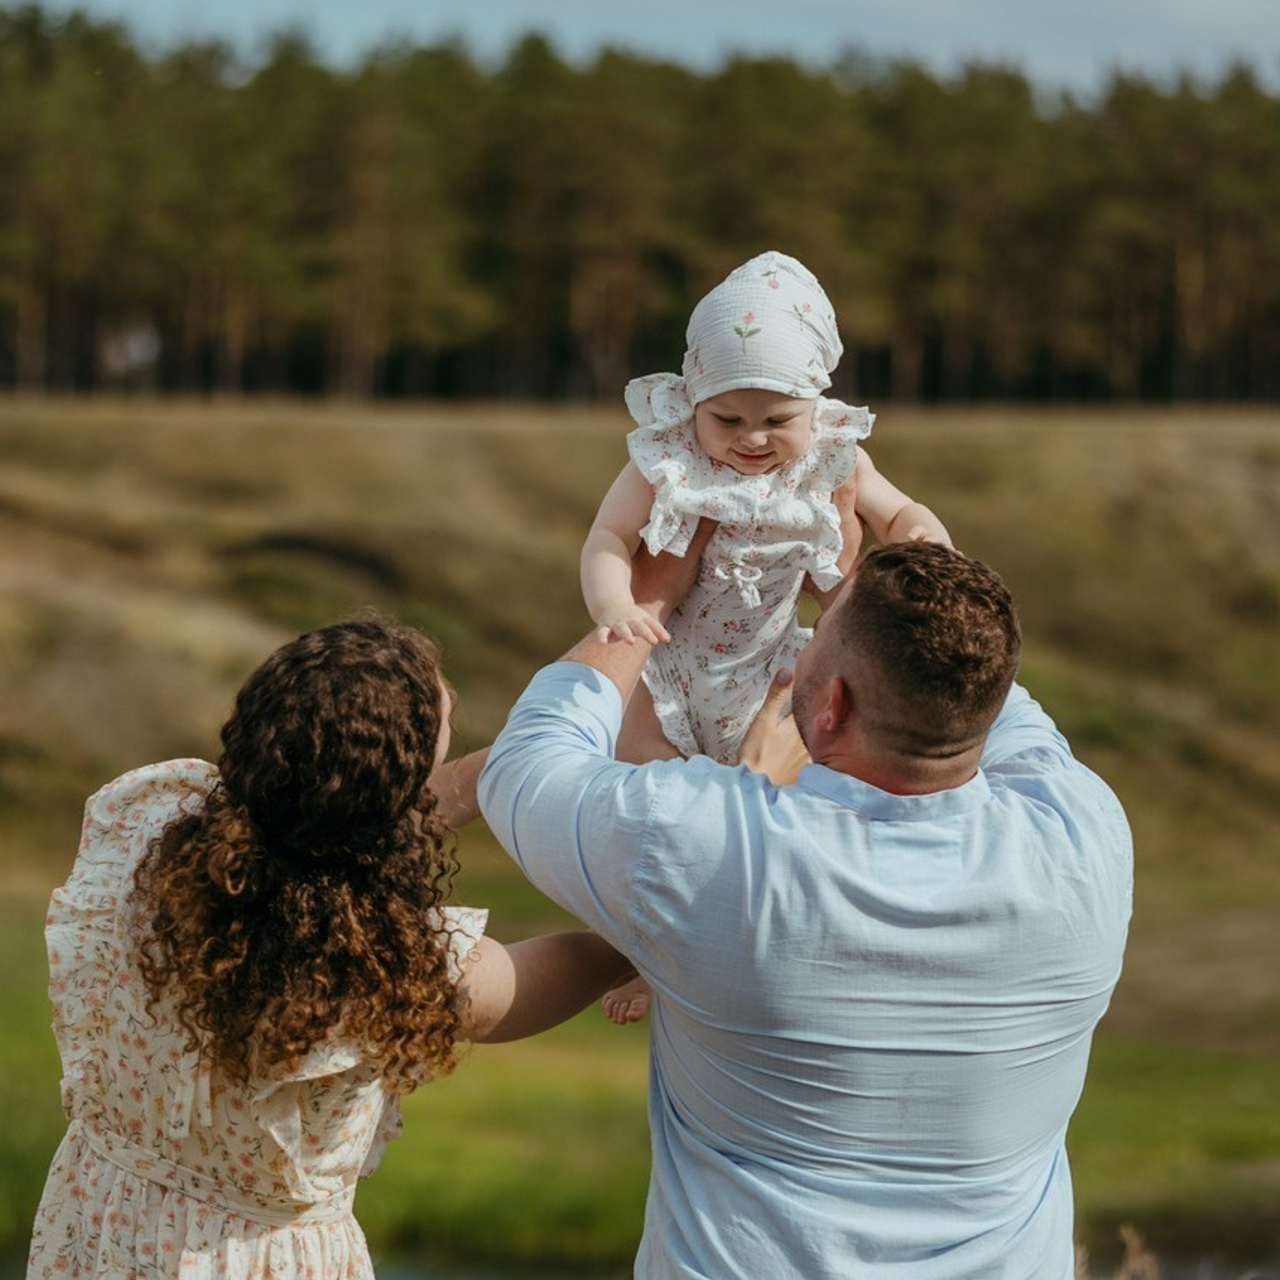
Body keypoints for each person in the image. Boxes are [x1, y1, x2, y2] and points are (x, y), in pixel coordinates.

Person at [479, 536, 1134, 1278]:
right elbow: (981, 685)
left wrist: (646, 605)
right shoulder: (1085, 839)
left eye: (815, 634)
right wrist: (872, 605)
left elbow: (525, 767)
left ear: (833, 706)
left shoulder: (712, 848)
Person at [27, 618, 631, 1279]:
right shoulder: (385, 961)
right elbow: (561, 967)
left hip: (101, 1219)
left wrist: (554, 724)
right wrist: (643, 942)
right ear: (393, 803)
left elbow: (354, 798)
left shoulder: (153, 825)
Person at [581, 249, 950, 769]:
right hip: (666, 663)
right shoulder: (673, 458)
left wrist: (924, 542)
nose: (752, 438)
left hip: (771, 667)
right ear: (693, 400)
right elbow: (610, 536)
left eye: (778, 421)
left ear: (814, 407)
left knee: (792, 774)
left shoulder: (829, 457)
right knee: (649, 774)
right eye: (726, 419)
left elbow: (898, 513)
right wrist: (613, 603)